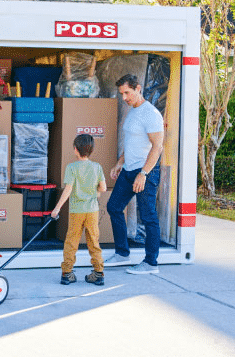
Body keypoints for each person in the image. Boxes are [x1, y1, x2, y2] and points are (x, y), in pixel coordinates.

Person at [103, 74, 164, 274]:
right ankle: (122, 253)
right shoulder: (132, 112)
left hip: (145, 171)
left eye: (127, 93)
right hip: (128, 169)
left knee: (148, 216)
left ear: (138, 88)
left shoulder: (151, 114)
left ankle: (151, 263)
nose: (124, 98)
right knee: (114, 207)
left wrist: (144, 173)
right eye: (122, 94)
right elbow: (130, 143)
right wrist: (119, 163)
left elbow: (157, 147)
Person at [51, 134, 107, 286]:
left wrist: (57, 208)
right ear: (91, 150)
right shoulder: (97, 167)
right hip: (92, 211)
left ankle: (67, 273)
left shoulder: (71, 167)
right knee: (93, 241)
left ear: (75, 149)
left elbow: (68, 190)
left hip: (76, 211)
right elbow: (103, 187)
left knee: (71, 241)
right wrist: (96, 194)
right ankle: (98, 273)